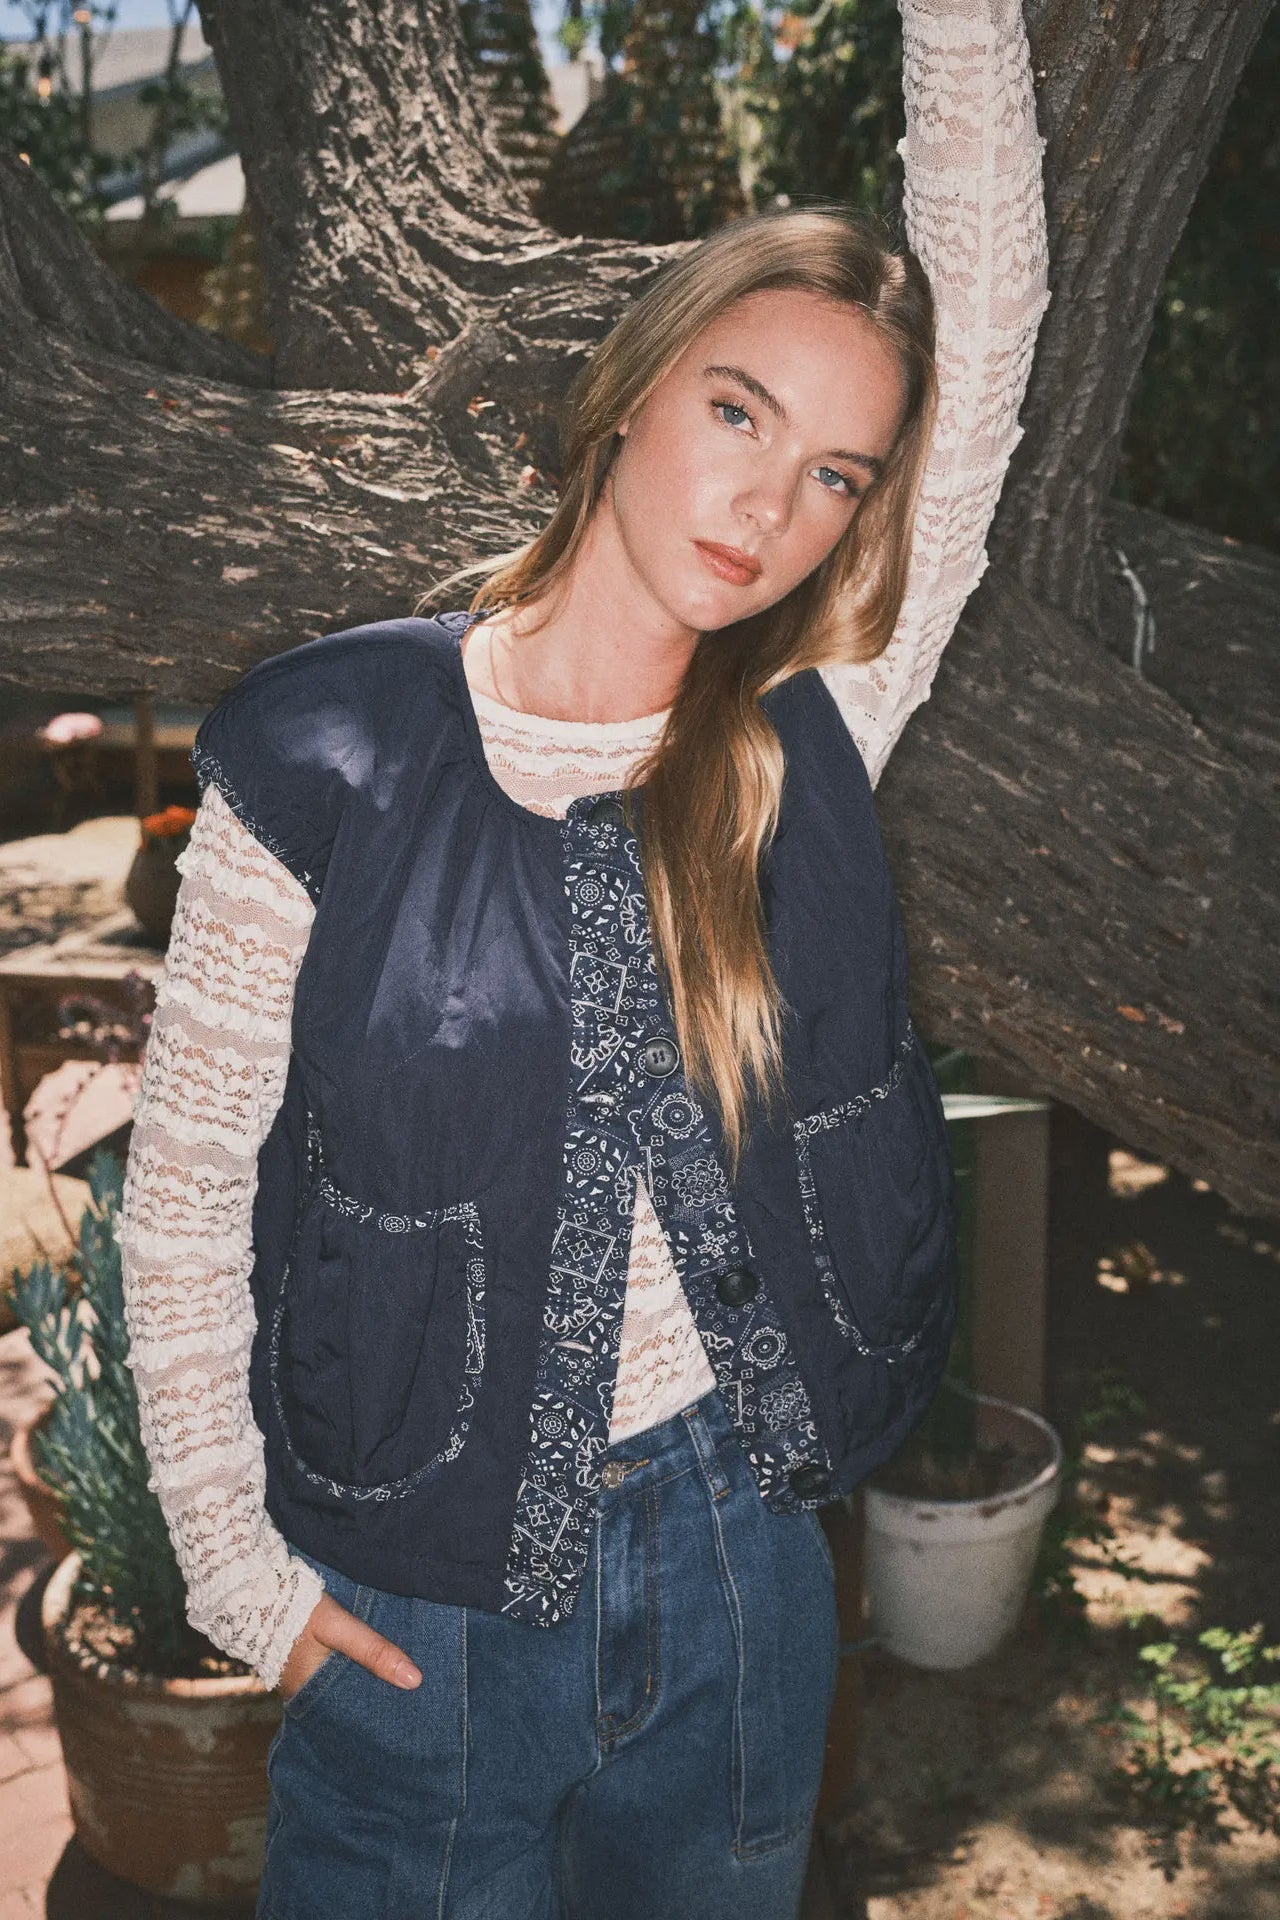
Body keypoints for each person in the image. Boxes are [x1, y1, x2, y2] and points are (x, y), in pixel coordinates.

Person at [117, 0, 1050, 1913]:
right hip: (414, 1603)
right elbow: (192, 1187)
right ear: (631, 393)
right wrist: (236, 1566)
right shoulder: (329, 750)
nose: (772, 508)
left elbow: (994, 300)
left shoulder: (814, 730)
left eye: (839, 477)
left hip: (739, 1564)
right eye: (740, 415)